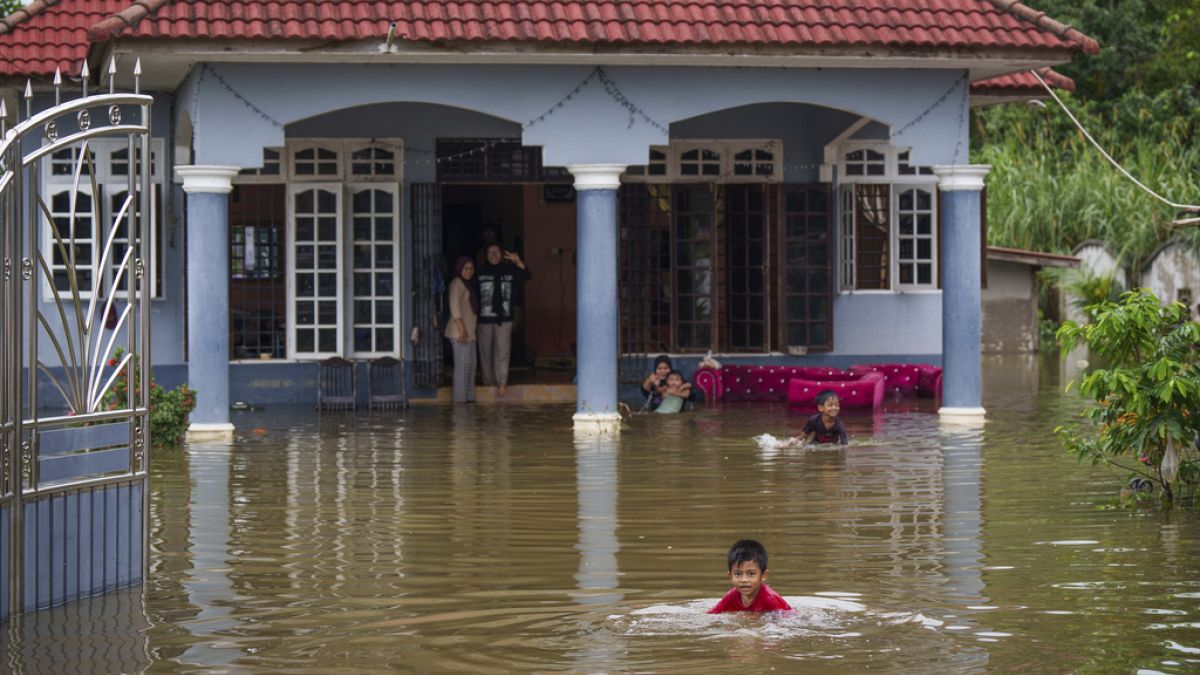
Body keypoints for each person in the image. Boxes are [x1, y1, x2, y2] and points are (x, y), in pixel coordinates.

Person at [475, 244, 531, 396]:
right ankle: (489, 382)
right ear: (486, 255)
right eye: (490, 252)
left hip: (505, 318)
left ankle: (502, 384)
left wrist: (517, 261)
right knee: (486, 352)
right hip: (484, 319)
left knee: (503, 351)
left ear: (501, 254)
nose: (493, 255)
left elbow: (526, 275)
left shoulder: (509, 270)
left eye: (496, 252)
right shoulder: (479, 272)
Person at [709, 539, 792, 614]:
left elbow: (784, 621)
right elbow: (712, 614)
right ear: (730, 576)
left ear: (763, 576)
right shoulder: (732, 596)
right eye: (738, 574)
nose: (744, 580)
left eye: (751, 574)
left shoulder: (769, 599)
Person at [445, 257, 478, 403]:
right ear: (459, 269)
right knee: (461, 369)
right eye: (466, 268)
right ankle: (460, 401)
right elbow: (455, 307)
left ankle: (469, 399)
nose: (469, 271)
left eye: (471, 268)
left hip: (469, 333)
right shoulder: (456, 284)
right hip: (460, 333)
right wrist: (462, 330)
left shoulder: (467, 284)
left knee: (470, 367)